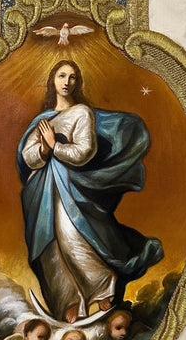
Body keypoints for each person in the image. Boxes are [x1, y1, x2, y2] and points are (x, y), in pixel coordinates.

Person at [17, 60, 163, 324]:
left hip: (71, 188)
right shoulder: (42, 120)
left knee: (71, 234)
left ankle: (103, 287)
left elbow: (84, 152)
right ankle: (68, 302)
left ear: (77, 83)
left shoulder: (81, 113)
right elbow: (28, 157)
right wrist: (44, 149)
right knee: (50, 245)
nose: (67, 82)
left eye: (72, 77)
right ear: (52, 81)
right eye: (62, 76)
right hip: (42, 191)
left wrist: (54, 146)